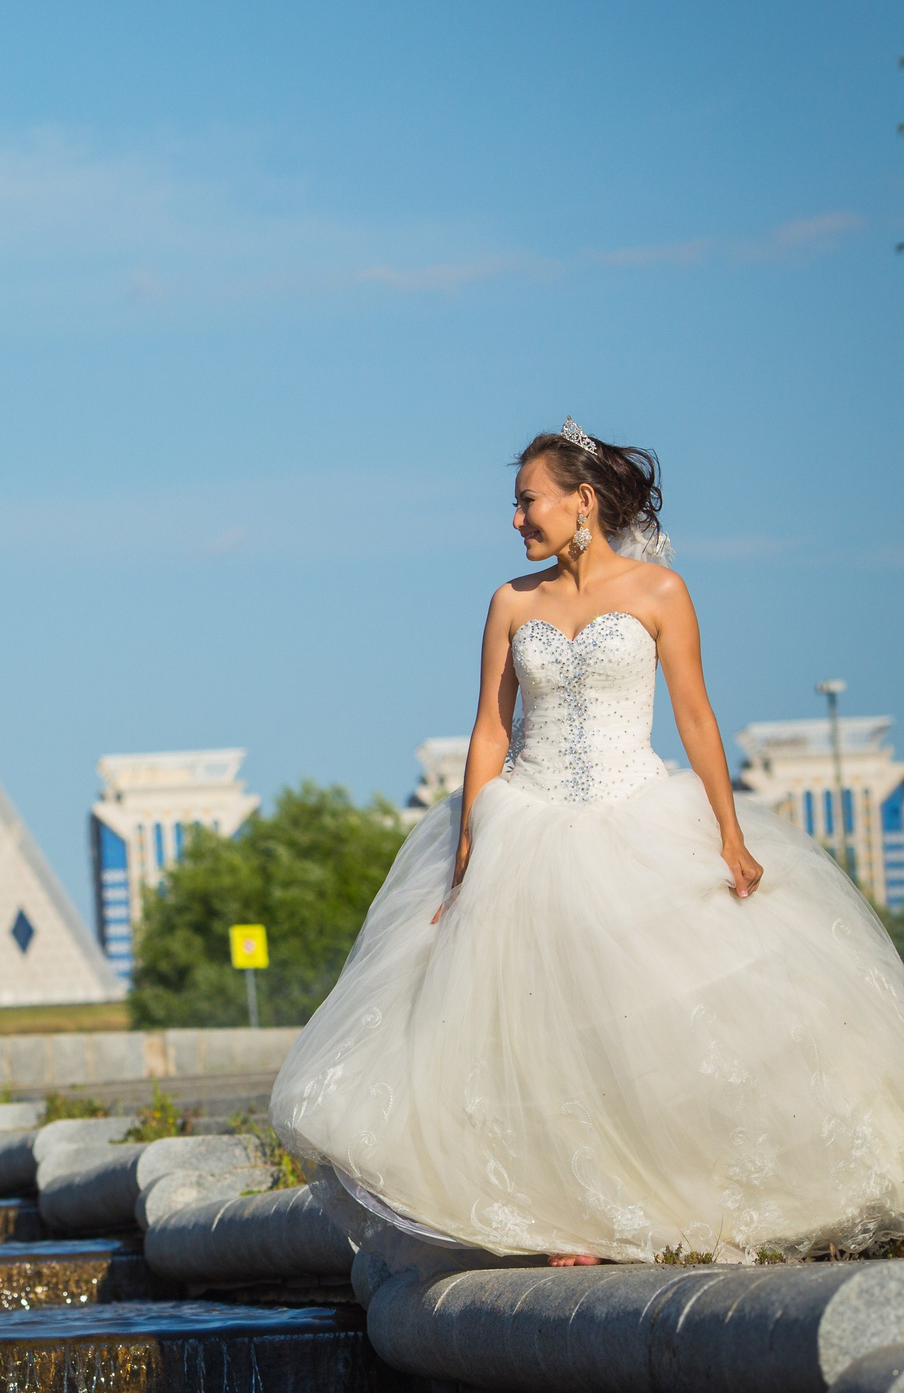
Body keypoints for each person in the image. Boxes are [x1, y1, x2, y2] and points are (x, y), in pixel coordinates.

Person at [273, 420, 904, 1265]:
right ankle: (569, 1220)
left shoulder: (660, 593)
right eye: (515, 503)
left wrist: (730, 832)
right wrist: (467, 849)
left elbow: (696, 716)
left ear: (583, 500)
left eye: (527, 500)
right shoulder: (511, 601)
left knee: (650, 1027)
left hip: (638, 815)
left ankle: (667, 1203)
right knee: (538, 1035)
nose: (516, 518)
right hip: (523, 825)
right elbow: (490, 733)